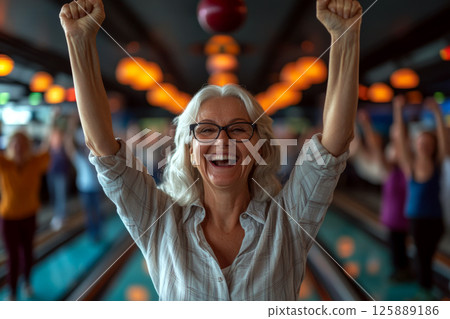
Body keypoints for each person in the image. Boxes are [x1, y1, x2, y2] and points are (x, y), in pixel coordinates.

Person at [60, 0, 362, 300]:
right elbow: (102, 149)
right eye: (206, 130)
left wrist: (344, 36)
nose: (222, 142)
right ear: (190, 150)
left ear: (259, 145)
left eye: (239, 129)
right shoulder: (158, 221)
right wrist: (79, 39)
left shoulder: (289, 219)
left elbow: (335, 142)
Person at [393, 95, 448, 299]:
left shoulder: (438, 164)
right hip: (416, 219)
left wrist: (437, 112)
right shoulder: (410, 166)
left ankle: (426, 288)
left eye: (428, 143)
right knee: (422, 256)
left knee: (427, 256)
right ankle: (425, 290)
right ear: (416, 145)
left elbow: (443, 139)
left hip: (435, 220)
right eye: (421, 143)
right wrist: (398, 111)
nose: (424, 146)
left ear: (433, 147)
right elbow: (399, 140)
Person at [355, 110, 412, 281]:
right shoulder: (390, 167)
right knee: (397, 245)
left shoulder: (407, 163)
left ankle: (404, 270)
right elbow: (377, 150)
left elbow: (386, 150)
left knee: (399, 245)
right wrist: (365, 126)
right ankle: (401, 269)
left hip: (402, 213)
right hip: (394, 213)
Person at [0, 131, 50, 301]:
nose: (19, 147)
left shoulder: (35, 162)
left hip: (29, 216)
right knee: (13, 258)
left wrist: (54, 122)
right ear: (10, 146)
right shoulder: (4, 163)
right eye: (16, 144)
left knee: (28, 253)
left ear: (28, 147)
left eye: (22, 144)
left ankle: (27, 282)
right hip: (9, 218)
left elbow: (48, 144)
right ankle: (12, 292)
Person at [64, 114, 103, 240]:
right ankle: (92, 232)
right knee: (88, 212)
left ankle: (96, 232)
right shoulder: (78, 156)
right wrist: (71, 125)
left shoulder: (92, 155)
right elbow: (70, 144)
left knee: (96, 211)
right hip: (84, 186)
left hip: (95, 186)